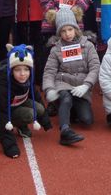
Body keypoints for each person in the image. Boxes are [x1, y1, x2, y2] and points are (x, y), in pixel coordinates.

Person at [43, 8, 100, 145]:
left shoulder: (88, 45)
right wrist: (49, 89)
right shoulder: (56, 48)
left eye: (70, 29)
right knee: (66, 99)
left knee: (87, 120)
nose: (67, 34)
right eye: (63, 31)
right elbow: (49, 71)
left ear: (76, 28)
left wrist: (86, 85)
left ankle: (69, 109)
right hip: (63, 83)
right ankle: (65, 131)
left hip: (81, 86)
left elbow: (95, 67)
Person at [0, 44, 52, 158]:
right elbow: (1, 112)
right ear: (11, 70)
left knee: (39, 108)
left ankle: (21, 125)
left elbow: (36, 96)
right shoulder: (2, 85)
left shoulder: (28, 78)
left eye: (26, 69)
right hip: (4, 111)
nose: (23, 74)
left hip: (18, 103)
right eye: (17, 70)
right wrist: (10, 146)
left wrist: (46, 121)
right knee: (31, 114)